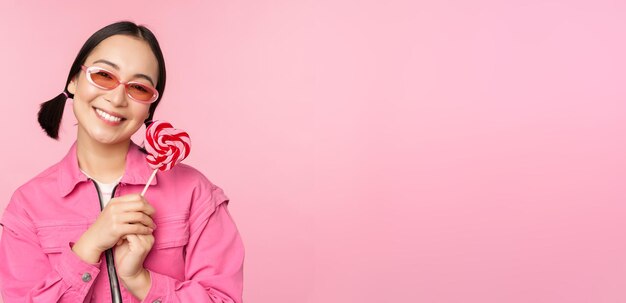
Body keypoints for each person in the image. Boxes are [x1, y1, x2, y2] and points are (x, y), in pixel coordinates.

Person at [0, 21, 244, 302]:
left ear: (150, 106)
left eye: (138, 88)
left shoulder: (195, 193)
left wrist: (141, 281)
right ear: (74, 81)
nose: (116, 98)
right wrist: (88, 248)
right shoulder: (28, 206)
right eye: (103, 75)